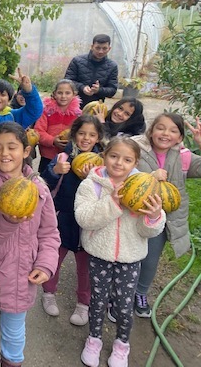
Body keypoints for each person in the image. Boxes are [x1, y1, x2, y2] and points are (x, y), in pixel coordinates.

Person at [0, 122, 60, 367]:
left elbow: (50, 233)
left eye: (12, 147)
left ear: (25, 151)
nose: (5, 154)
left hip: (22, 277)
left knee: (13, 335)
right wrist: (8, 220)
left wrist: (45, 265)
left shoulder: (39, 188)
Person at [75, 137, 165, 367]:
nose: (119, 163)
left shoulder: (144, 187)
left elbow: (148, 231)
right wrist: (113, 203)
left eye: (127, 159)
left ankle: (121, 345)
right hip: (99, 254)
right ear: (104, 156)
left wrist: (154, 216)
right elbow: (84, 218)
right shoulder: (91, 184)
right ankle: (93, 339)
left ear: (135, 162)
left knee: (124, 306)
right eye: (114, 156)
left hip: (130, 257)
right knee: (98, 301)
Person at [131, 114, 201, 317]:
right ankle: (119, 293)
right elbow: (119, 169)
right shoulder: (136, 149)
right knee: (127, 258)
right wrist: (148, 177)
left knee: (150, 259)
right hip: (133, 214)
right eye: (160, 128)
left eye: (173, 131)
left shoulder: (184, 157)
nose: (165, 133)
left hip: (161, 219)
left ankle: (140, 293)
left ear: (180, 137)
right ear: (151, 131)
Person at [40, 115, 104, 326]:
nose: (86, 138)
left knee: (85, 267)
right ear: (74, 134)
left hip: (88, 223)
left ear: (98, 138)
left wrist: (93, 179)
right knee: (54, 260)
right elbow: (44, 182)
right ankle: (48, 293)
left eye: (92, 135)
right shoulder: (62, 158)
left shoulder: (102, 164)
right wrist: (55, 171)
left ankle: (83, 304)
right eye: (82, 133)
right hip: (62, 218)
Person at [34, 79, 82, 174]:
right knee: (45, 181)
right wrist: (53, 141)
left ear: (74, 94)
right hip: (48, 156)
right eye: (60, 93)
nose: (63, 96)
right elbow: (38, 131)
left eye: (67, 93)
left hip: (69, 157)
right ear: (54, 94)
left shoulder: (78, 115)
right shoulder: (46, 112)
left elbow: (80, 133)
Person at [65, 33, 119, 108]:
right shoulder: (77, 61)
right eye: (98, 48)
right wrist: (82, 87)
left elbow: (112, 90)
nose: (101, 51)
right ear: (92, 47)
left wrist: (99, 90)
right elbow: (67, 81)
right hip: (73, 105)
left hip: (95, 107)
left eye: (104, 48)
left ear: (109, 49)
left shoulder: (112, 66)